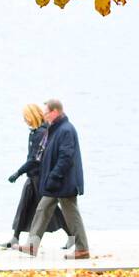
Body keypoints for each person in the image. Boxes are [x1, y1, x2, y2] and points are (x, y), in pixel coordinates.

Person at [19, 99, 90, 258]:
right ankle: (32, 246)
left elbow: (66, 157)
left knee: (72, 215)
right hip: (56, 183)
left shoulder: (66, 130)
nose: (44, 117)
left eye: (45, 113)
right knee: (42, 209)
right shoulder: (55, 129)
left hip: (64, 183)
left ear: (55, 112)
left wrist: (54, 176)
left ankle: (82, 249)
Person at [0, 104, 67, 249]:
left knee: (53, 210)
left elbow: (34, 160)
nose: (25, 121)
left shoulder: (41, 133)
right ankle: (15, 238)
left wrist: (18, 173)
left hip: (40, 179)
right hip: (33, 177)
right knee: (24, 206)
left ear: (32, 116)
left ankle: (73, 235)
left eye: (26, 117)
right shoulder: (34, 133)